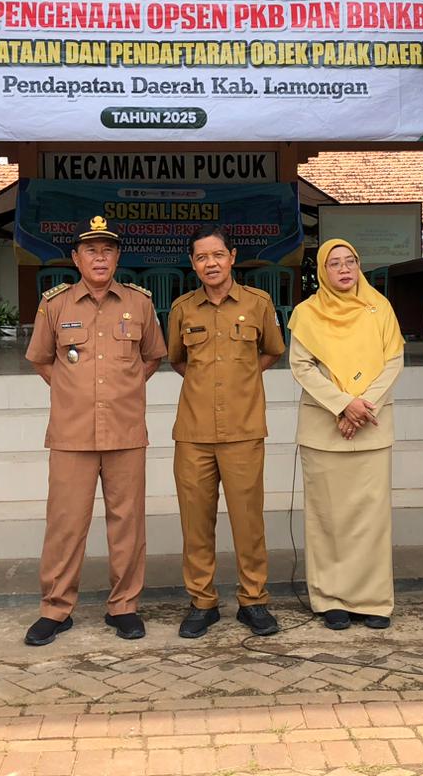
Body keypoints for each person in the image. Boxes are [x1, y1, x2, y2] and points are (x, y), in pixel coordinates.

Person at [23, 215, 166, 645]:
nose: (99, 258)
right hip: (72, 434)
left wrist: (121, 390)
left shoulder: (139, 303)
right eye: (91, 250)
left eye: (107, 250)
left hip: (125, 431)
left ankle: (124, 606)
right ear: (76, 257)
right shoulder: (56, 304)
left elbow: (152, 356)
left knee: (128, 523)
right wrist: (73, 392)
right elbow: (41, 359)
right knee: (65, 524)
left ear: (118, 256)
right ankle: (56, 608)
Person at [167, 225, 286, 638]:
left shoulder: (258, 304)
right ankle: (202, 602)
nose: (210, 263)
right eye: (201, 257)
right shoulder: (183, 308)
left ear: (231, 256)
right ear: (193, 263)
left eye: (217, 255)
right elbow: (178, 360)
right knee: (195, 522)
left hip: (243, 429)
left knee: (248, 521)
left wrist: (243, 376)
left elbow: (272, 349)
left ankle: (253, 601)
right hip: (194, 432)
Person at [288, 239, 405, 630]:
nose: (343, 269)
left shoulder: (380, 308)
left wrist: (360, 407)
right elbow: (302, 367)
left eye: (350, 262)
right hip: (324, 430)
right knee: (327, 519)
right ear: (322, 270)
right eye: (334, 263)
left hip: (368, 428)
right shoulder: (307, 313)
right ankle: (330, 598)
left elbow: (394, 361)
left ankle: (373, 600)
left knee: (370, 520)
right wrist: (342, 405)